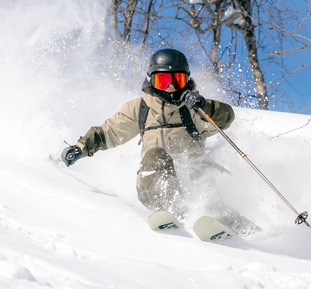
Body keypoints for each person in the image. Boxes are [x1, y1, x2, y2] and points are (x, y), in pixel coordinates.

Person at [60, 48, 236, 225]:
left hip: (193, 184)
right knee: (155, 155)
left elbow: (226, 118)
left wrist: (204, 106)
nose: (171, 87)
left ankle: (237, 227)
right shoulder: (139, 108)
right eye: (163, 80)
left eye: (177, 80)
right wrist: (80, 148)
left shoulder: (193, 109)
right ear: (151, 80)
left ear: (187, 80)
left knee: (203, 174)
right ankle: (174, 209)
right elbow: (108, 132)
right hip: (153, 186)